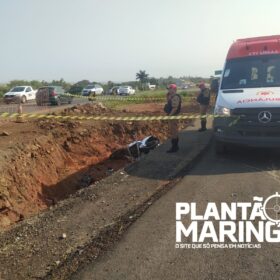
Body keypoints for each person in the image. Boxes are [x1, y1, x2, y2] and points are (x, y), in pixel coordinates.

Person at [164, 84, 182, 153]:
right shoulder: (172, 97)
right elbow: (169, 104)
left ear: (174, 89)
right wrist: (168, 96)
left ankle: (174, 147)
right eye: (168, 89)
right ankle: (175, 147)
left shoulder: (175, 97)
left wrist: (169, 116)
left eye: (170, 89)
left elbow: (175, 108)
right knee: (173, 131)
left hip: (173, 116)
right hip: (172, 116)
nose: (169, 90)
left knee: (174, 132)